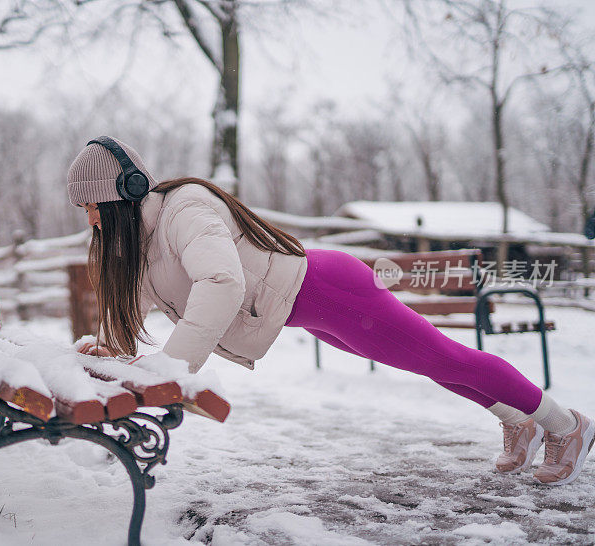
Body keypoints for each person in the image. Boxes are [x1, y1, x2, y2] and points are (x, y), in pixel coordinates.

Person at [68, 136, 594, 486]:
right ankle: (515, 420)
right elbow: (138, 301)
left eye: (91, 206)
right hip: (312, 306)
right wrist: (114, 349)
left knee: (444, 359)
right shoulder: (146, 241)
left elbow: (221, 280)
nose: (90, 219)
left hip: (331, 290)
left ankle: (565, 424)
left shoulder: (186, 211)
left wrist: (171, 368)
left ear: (120, 196)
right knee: (429, 363)